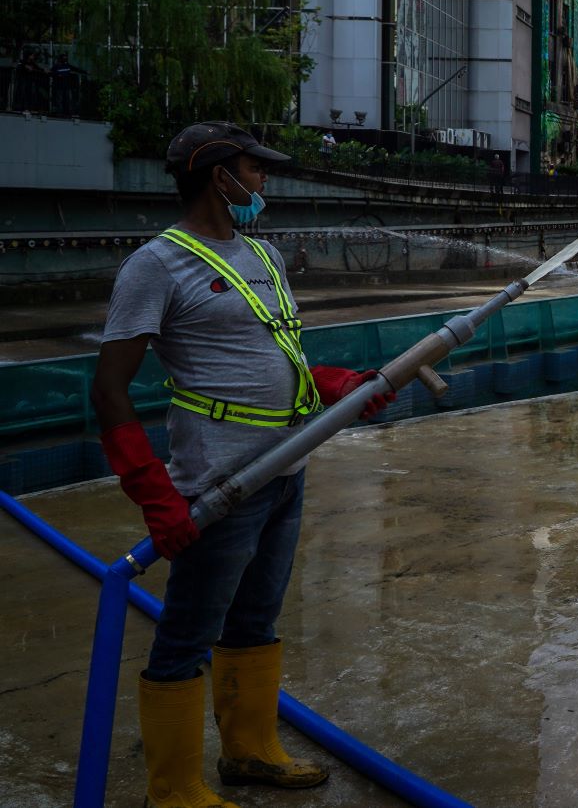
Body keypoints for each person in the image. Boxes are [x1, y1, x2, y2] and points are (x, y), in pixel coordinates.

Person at [91, 122, 394, 807]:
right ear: (215, 174)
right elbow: (109, 387)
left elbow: (273, 362)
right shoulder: (157, 265)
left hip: (284, 470)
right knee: (185, 638)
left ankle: (250, 752)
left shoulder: (264, 256)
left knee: (255, 622)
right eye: (254, 169)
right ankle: (173, 790)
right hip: (219, 487)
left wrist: (335, 384)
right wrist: (154, 494)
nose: (264, 181)